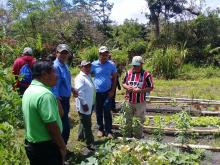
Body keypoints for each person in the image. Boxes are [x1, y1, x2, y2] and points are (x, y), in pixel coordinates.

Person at [22, 61, 66, 165]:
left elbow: (60, 114)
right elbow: (51, 126)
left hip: (32, 146)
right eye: (54, 72)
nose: (57, 76)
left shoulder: (29, 90)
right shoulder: (45, 95)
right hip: (46, 148)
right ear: (44, 75)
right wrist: (62, 146)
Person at [122, 56, 154, 138]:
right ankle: (127, 136)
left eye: (137, 66)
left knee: (139, 120)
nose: (135, 67)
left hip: (140, 102)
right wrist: (127, 87)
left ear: (142, 65)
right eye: (134, 65)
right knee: (127, 120)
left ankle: (137, 137)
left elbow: (151, 87)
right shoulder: (128, 73)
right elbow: (123, 83)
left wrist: (140, 90)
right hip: (128, 101)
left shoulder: (147, 75)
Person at [52, 44, 76, 145]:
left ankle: (62, 149)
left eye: (66, 53)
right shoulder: (55, 67)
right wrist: (58, 103)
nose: (64, 55)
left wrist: (72, 89)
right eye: (61, 53)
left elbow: (65, 81)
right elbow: (54, 86)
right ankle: (61, 150)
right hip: (60, 100)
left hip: (66, 99)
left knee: (64, 126)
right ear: (56, 53)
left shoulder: (65, 65)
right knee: (64, 127)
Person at [91, 46, 117, 138]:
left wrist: (112, 91)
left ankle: (108, 130)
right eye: (102, 54)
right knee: (98, 111)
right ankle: (100, 129)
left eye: (106, 54)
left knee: (107, 110)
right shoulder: (93, 64)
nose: (104, 56)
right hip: (97, 92)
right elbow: (88, 74)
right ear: (99, 54)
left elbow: (114, 78)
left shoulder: (111, 65)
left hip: (107, 92)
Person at [74, 60, 95, 150]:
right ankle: (90, 143)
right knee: (87, 124)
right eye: (85, 66)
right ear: (81, 67)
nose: (88, 68)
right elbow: (79, 92)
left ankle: (80, 137)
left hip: (90, 102)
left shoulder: (88, 75)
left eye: (89, 66)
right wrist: (84, 104)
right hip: (85, 104)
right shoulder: (80, 78)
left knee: (84, 121)